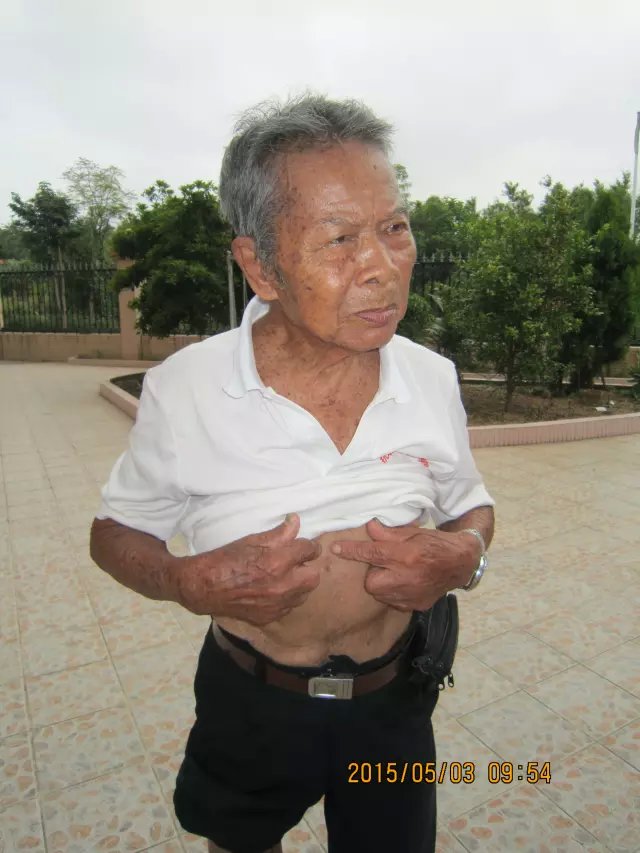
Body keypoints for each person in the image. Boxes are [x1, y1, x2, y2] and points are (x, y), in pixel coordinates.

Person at [90, 94, 495, 853]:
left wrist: (465, 556)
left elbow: (470, 504)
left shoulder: (431, 377)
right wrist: (184, 581)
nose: (382, 268)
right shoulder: (187, 388)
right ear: (260, 266)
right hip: (252, 700)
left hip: (393, 702)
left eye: (394, 228)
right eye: (339, 239)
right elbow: (114, 532)